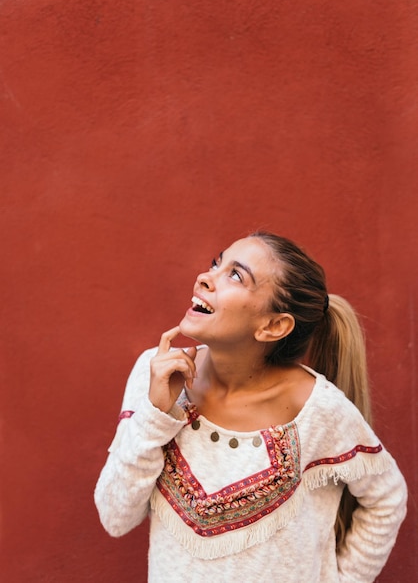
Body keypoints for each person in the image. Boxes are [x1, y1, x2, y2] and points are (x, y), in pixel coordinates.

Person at [94, 231, 407, 582]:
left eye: (235, 275)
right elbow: (115, 517)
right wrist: (155, 415)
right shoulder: (156, 373)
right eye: (217, 263)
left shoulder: (317, 410)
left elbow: (387, 500)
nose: (205, 277)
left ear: (273, 326)